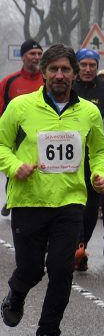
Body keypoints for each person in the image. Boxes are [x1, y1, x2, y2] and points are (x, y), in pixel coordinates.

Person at [0, 44, 104, 336]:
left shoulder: (89, 112)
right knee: (32, 269)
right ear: (44, 73)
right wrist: (13, 166)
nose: (59, 75)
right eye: (53, 69)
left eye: (65, 70)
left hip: (70, 201)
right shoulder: (21, 107)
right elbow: (2, 144)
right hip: (29, 200)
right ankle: (16, 294)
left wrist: (100, 173)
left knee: (61, 270)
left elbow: (100, 150)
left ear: (74, 74)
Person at [72, 48, 104, 271]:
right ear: (77, 66)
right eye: (84, 65)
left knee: (91, 209)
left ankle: (81, 245)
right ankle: (73, 248)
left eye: (93, 65)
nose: (88, 69)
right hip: (69, 158)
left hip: (96, 156)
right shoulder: (68, 87)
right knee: (70, 206)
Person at [0, 39, 44, 217]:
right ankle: (11, 199)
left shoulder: (47, 79)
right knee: (15, 170)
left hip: (43, 133)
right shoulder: (9, 82)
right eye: (32, 54)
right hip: (17, 136)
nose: (36, 57)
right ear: (23, 57)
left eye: (39, 54)